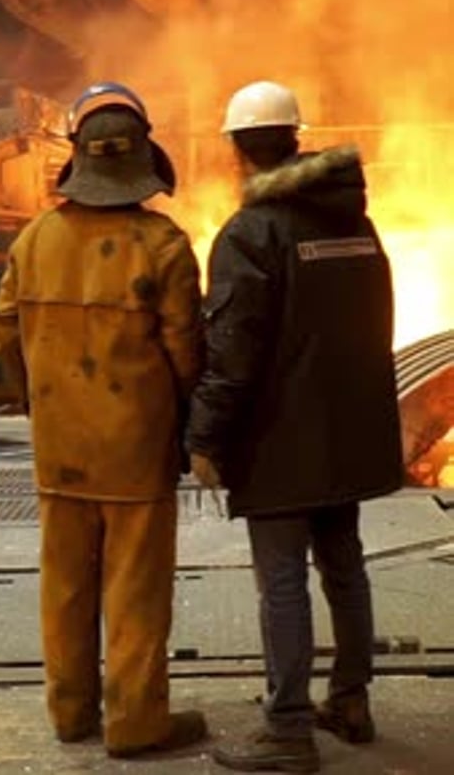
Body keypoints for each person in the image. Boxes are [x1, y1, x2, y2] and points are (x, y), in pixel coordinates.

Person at [186, 80, 404, 773]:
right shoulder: (356, 223)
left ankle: (286, 729)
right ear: (295, 138)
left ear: (237, 151)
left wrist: (205, 438)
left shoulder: (251, 232)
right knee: (344, 566)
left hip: (280, 440)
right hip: (349, 430)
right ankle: (351, 701)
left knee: (281, 580)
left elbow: (233, 351)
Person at [0, 81, 206, 758]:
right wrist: (182, 418)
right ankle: (136, 724)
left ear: (77, 157)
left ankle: (71, 712)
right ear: (143, 157)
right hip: (136, 452)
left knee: (65, 587)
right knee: (135, 592)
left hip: (60, 451)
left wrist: (39, 400)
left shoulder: (35, 240)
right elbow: (186, 352)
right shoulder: (162, 245)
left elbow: (4, 331)